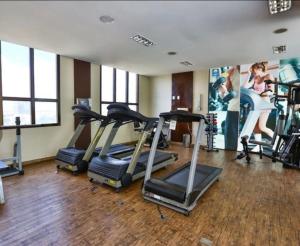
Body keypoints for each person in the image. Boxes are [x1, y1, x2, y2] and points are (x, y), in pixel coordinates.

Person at [242, 62, 275, 150]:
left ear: (260, 69)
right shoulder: (255, 77)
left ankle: (278, 141)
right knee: (255, 127)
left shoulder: (268, 76)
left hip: (264, 103)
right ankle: (259, 147)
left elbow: (271, 91)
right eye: (252, 71)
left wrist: (257, 93)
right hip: (255, 103)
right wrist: (248, 75)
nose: (253, 72)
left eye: (254, 70)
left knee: (262, 127)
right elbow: (244, 87)